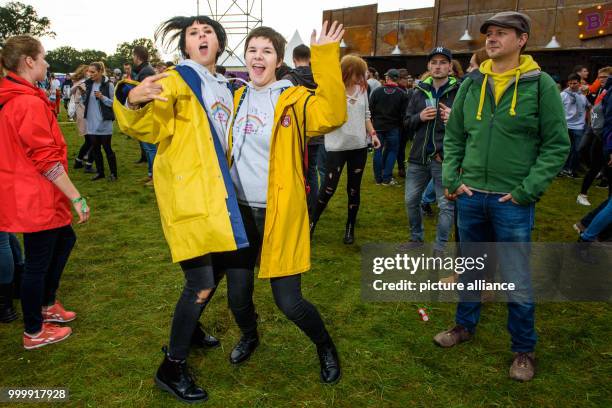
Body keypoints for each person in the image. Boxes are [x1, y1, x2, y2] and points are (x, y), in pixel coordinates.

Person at [115, 15, 247, 403]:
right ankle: (172, 366)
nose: (201, 36)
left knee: (216, 267)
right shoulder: (178, 80)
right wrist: (131, 98)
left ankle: (188, 330)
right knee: (201, 282)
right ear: (186, 45)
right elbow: (146, 121)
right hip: (190, 196)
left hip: (219, 197)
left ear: (219, 43)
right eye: (193, 33)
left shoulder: (224, 86)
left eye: (207, 32)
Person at [438, 12, 570, 382]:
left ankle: (523, 350)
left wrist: (528, 190)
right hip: (469, 196)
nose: (492, 39)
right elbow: (455, 136)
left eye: (501, 33)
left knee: (515, 278)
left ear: (522, 39)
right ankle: (464, 326)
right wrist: (452, 177)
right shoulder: (471, 83)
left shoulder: (540, 84)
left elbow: (557, 144)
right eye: (489, 34)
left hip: (511, 201)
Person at [225, 23, 345, 385]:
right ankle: (250, 335)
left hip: (280, 212)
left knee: (289, 301)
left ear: (278, 60)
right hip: (240, 213)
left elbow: (333, 114)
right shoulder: (236, 98)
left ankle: (324, 345)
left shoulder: (295, 99)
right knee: (237, 297)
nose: (257, 57)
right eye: (252, 50)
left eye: (266, 51)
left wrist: (324, 56)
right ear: (244, 56)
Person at [0, 34, 90, 349]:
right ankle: (34, 331)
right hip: (35, 196)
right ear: (29, 61)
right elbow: (46, 160)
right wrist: (76, 196)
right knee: (38, 262)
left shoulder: (17, 95)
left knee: (65, 240)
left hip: (32, 192)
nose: (47, 63)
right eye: (43, 57)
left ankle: (46, 304)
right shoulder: (24, 101)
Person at [309, 54, 381, 244]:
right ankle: (311, 223)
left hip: (358, 146)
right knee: (328, 188)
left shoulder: (362, 89)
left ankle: (350, 228)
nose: (361, 78)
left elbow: (366, 115)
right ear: (349, 72)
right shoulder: (333, 90)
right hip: (336, 146)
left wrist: (373, 134)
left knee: (354, 189)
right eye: (359, 74)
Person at [400, 46, 458, 255]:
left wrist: (455, 119)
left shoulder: (459, 91)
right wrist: (420, 117)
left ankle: (440, 247)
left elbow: (471, 127)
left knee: (446, 206)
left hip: (443, 158)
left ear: (450, 67)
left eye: (443, 62)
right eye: (434, 62)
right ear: (428, 66)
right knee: (411, 201)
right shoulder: (419, 91)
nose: (438, 66)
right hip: (418, 158)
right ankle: (416, 238)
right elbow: (406, 123)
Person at [281, 44, 326, 214]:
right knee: (312, 171)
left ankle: (299, 204)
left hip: (296, 132)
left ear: (293, 59)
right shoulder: (319, 77)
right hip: (316, 131)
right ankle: (312, 204)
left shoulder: (288, 79)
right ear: (310, 59)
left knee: (295, 170)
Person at [369, 68, 409, 185]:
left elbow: (370, 110)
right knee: (392, 151)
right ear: (397, 79)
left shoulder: (377, 92)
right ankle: (386, 178)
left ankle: (378, 178)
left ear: (388, 78)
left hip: (378, 127)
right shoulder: (402, 94)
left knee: (378, 151)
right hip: (394, 128)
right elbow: (404, 114)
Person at [84, 61, 117, 181]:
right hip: (91, 122)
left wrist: (102, 97)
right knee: (96, 149)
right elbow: (87, 102)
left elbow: (114, 103)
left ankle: (113, 173)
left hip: (104, 122)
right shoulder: (88, 84)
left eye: (93, 72)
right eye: (89, 71)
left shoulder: (109, 85)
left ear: (100, 72)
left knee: (107, 148)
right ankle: (100, 172)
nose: (90, 74)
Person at [131, 46, 158, 185]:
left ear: (137, 56)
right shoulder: (145, 70)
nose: (132, 58)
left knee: (150, 147)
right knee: (148, 147)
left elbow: (147, 94)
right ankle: (150, 174)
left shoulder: (145, 71)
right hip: (147, 111)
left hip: (148, 113)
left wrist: (136, 102)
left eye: (133, 55)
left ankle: (155, 177)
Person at [560, 73, 590, 179]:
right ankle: (563, 169)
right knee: (566, 149)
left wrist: (589, 122)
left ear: (579, 83)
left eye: (575, 83)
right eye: (570, 83)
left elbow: (589, 107)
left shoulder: (583, 95)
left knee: (577, 149)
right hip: (566, 125)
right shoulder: (563, 95)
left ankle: (572, 170)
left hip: (579, 127)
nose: (572, 85)